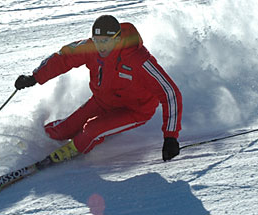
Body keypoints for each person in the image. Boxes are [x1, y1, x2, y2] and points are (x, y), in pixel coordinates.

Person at [14, 15, 182, 162]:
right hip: (102, 101)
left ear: (116, 39)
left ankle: (73, 150)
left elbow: (170, 93)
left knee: (92, 130)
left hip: (135, 111)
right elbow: (63, 57)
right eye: (97, 40)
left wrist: (170, 137)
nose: (101, 46)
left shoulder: (138, 59)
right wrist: (35, 77)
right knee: (63, 129)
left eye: (105, 41)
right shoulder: (91, 49)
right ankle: (30, 143)